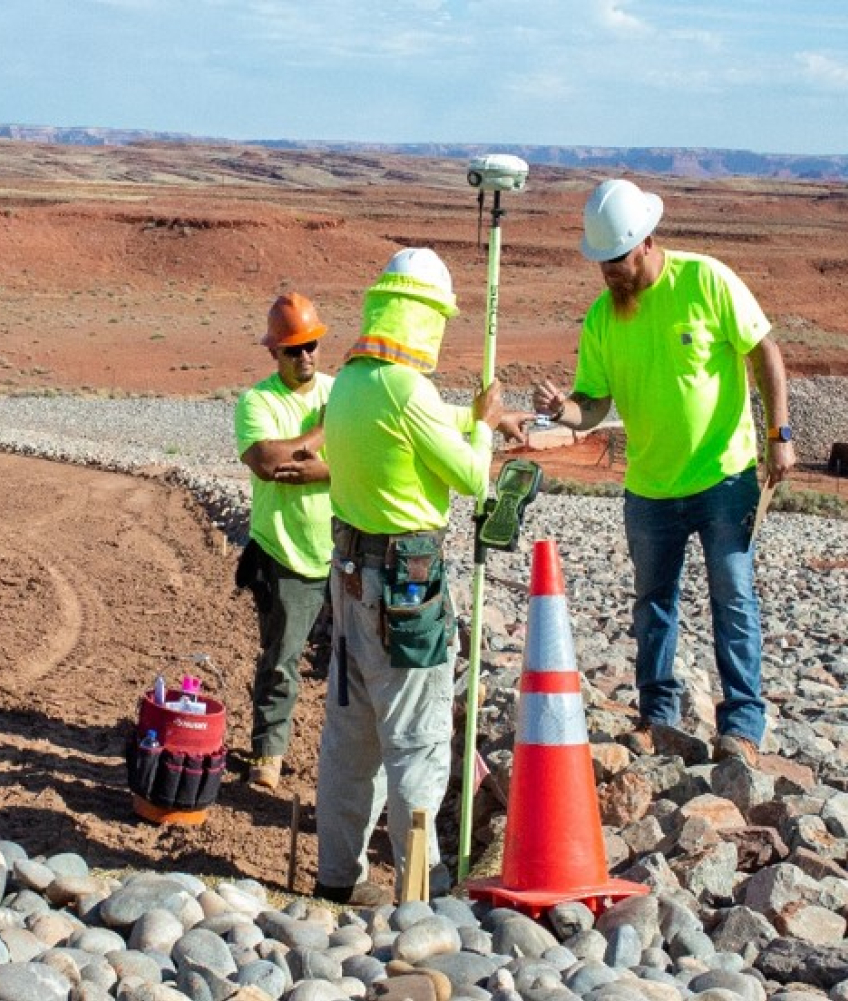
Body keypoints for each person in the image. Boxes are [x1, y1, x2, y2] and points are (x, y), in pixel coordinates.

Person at [533, 178, 795, 768]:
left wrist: (779, 434)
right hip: (649, 488)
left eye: (618, 261)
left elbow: (764, 353)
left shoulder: (706, 280)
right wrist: (563, 412)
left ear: (647, 242)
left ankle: (744, 727)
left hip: (723, 480)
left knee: (732, 594)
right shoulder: (603, 318)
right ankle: (658, 717)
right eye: (601, 264)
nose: (610, 274)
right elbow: (593, 405)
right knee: (654, 602)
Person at [313, 247, 523, 907]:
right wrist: (484, 428)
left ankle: (337, 880)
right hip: (406, 589)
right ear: (424, 317)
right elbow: (471, 479)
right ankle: (419, 900)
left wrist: (467, 422)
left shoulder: (350, 382)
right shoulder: (408, 390)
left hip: (347, 582)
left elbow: (412, 431)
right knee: (416, 742)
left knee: (352, 739)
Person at [233, 292, 334, 792]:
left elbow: (368, 461)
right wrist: (321, 432)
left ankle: (342, 765)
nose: (306, 356)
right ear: (274, 353)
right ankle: (268, 754)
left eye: (311, 344)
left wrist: (322, 470)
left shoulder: (342, 391)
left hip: (344, 551)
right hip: (285, 555)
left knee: (356, 666)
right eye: (293, 349)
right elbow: (271, 464)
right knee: (281, 660)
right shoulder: (258, 401)